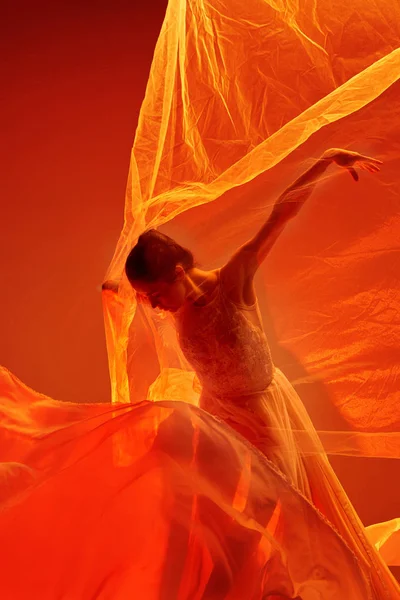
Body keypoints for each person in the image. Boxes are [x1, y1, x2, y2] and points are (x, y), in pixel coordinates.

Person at [123, 148, 400, 598]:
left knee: (275, 513)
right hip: (217, 418)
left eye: (155, 294)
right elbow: (132, 300)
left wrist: (326, 160)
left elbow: (278, 217)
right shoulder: (169, 307)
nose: (152, 306)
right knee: (211, 517)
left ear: (178, 271)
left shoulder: (233, 280)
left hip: (263, 413)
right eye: (146, 298)